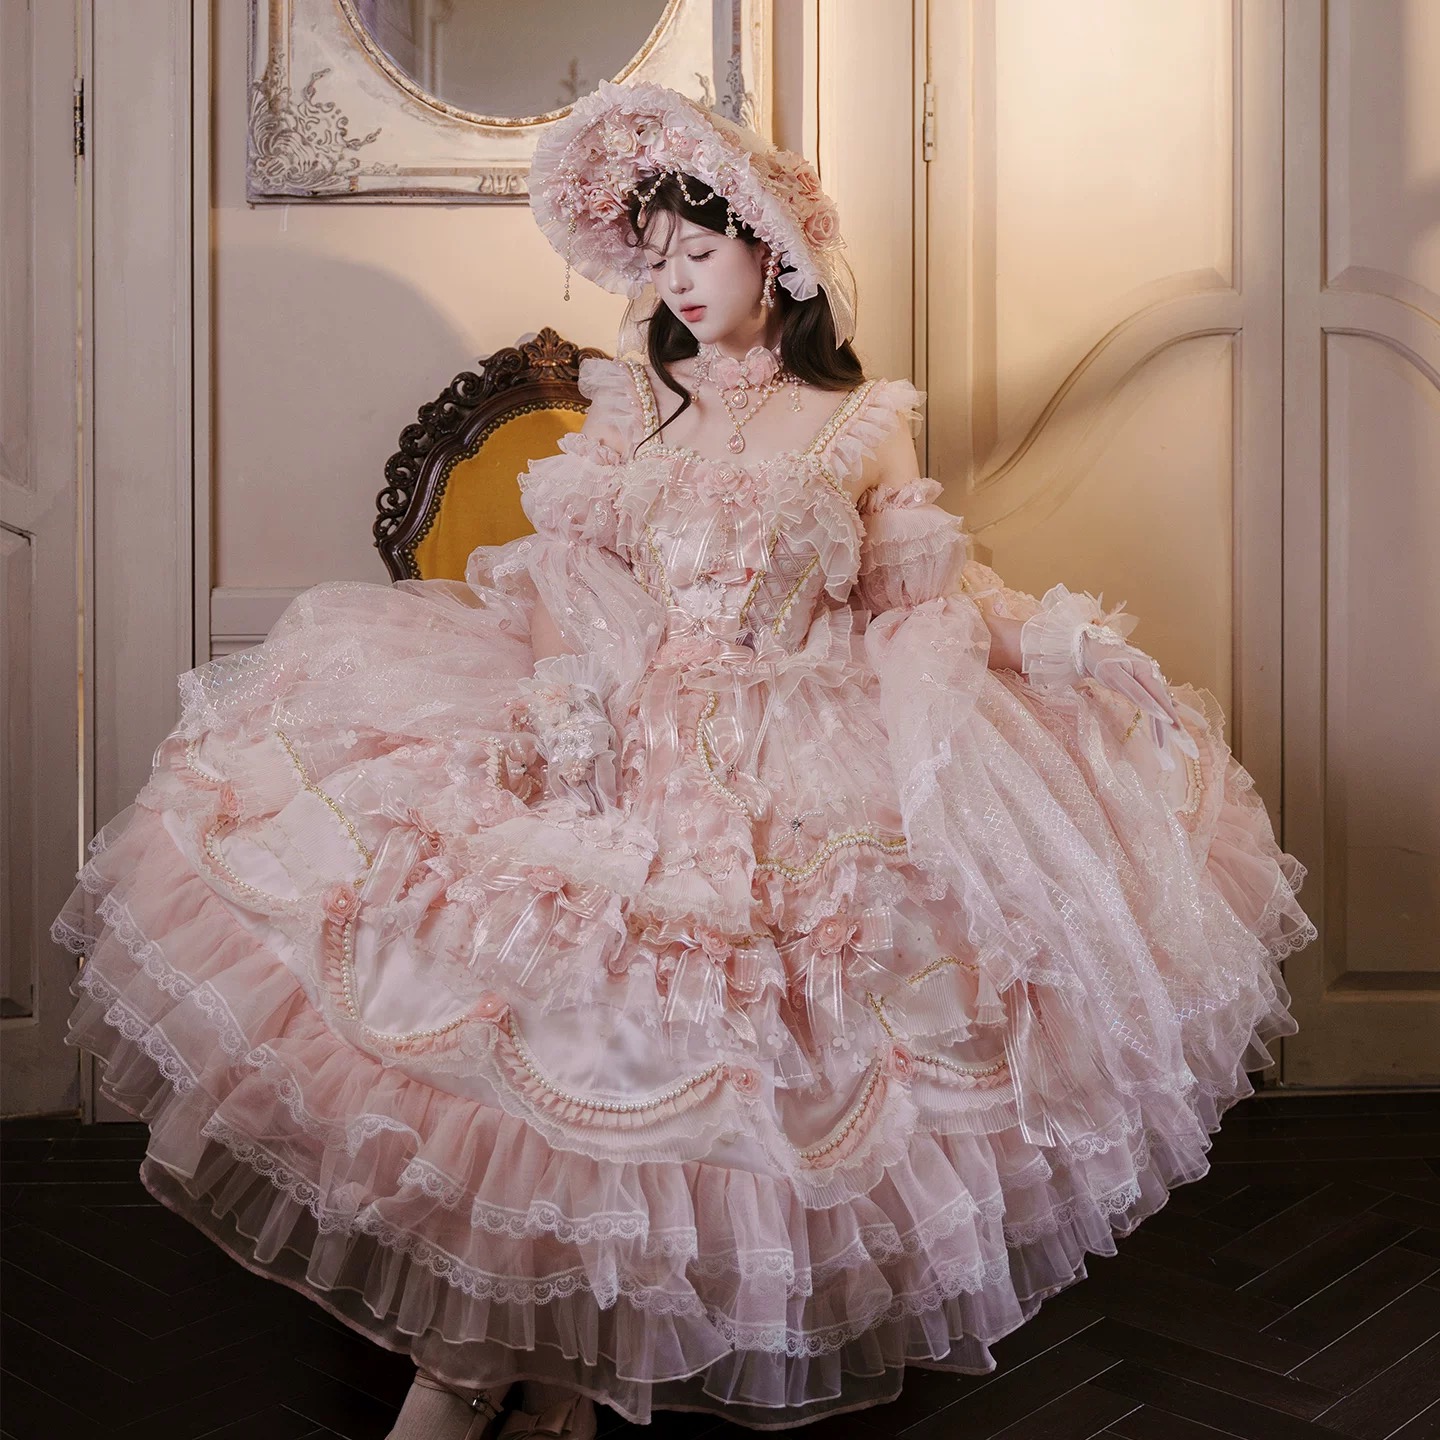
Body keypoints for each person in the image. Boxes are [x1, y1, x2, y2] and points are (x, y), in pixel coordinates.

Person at [52, 79, 1316, 1439]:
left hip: (792, 751)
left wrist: (1064, 649)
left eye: (700, 251)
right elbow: (563, 578)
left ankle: (513, 1384)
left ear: (774, 253)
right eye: (658, 259)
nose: (678, 282)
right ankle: (506, 1377)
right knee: (534, 1011)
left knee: (693, 1051)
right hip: (618, 722)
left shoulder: (859, 423)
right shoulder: (638, 407)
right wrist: (566, 708)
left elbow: (923, 606)